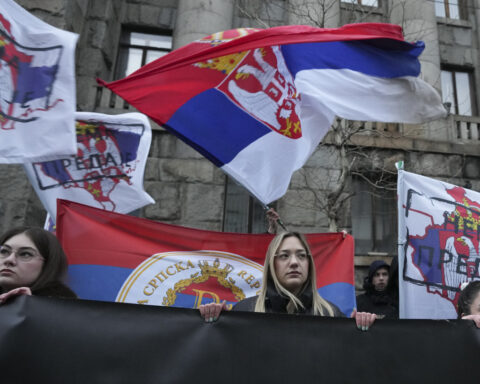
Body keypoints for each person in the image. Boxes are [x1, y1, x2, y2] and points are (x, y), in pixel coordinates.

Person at [199, 231, 376, 330]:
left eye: (301, 256)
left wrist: (363, 329)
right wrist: (213, 321)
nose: (294, 262)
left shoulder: (330, 314)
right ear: (272, 265)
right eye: (284, 256)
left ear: (309, 264)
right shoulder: (245, 311)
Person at [0, 226, 76, 304]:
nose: (9, 260)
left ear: (47, 265)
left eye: (25, 254)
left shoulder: (66, 310)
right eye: (4, 251)